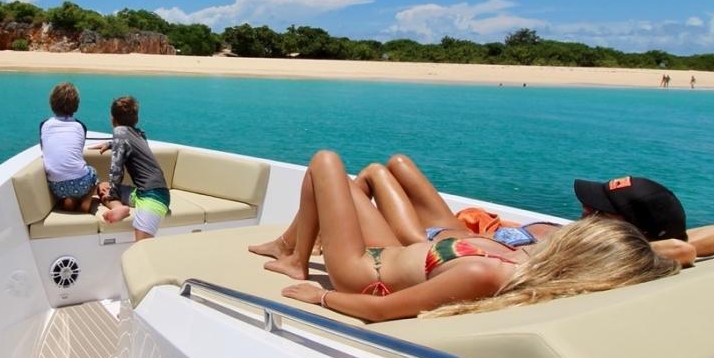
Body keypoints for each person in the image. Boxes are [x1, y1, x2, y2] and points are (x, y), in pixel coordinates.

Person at [268, 151, 681, 322]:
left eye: (591, 222)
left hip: (363, 271)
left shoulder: (488, 273)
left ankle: (294, 258)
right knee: (366, 172)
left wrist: (320, 296)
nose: (580, 222)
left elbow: (382, 311)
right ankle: (291, 250)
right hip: (403, 253)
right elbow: (679, 249)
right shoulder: (533, 265)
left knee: (326, 163)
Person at [251, 153, 714, 267]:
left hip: (427, 248)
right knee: (389, 166)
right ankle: (295, 243)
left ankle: (294, 251)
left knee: (345, 178)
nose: (585, 212)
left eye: (597, 211)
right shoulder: (600, 237)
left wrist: (650, 248)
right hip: (456, 231)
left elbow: (683, 247)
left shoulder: (617, 254)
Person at [96, 96, 170, 241]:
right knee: (102, 186)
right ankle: (119, 208)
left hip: (153, 197)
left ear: (113, 119)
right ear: (136, 119)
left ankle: (117, 206)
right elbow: (131, 143)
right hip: (142, 193)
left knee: (141, 249)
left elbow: (116, 169)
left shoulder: (119, 132)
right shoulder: (140, 134)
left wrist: (113, 193)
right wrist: (111, 144)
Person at [39, 82, 98, 213]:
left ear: (52, 104)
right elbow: (78, 151)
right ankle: (86, 200)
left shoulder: (44, 125)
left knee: (67, 178)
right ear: (76, 106)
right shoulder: (80, 126)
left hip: (56, 187)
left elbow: (44, 149)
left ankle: (70, 200)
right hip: (81, 184)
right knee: (93, 172)